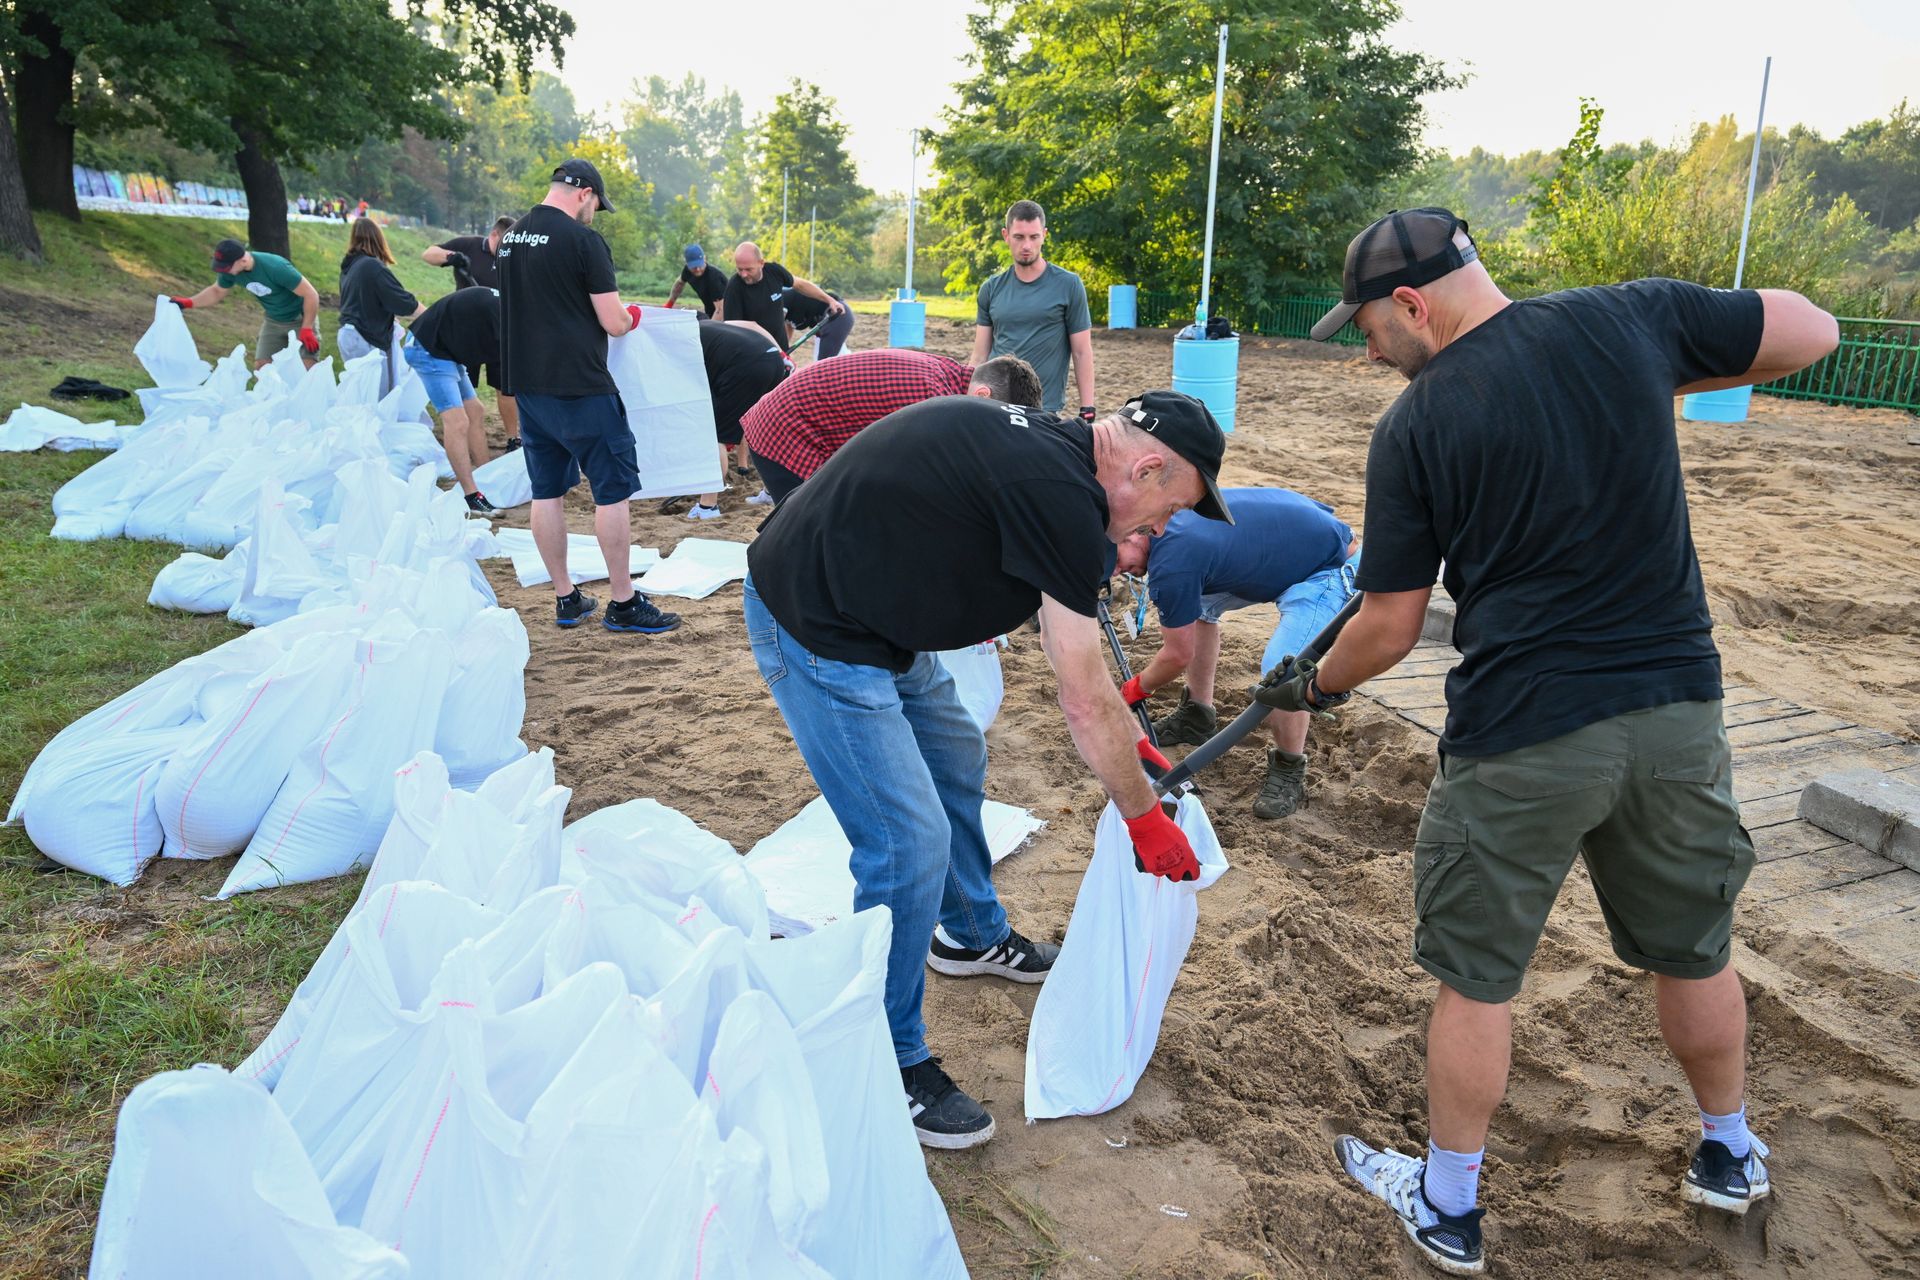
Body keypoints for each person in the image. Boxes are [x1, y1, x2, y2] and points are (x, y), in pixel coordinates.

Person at [1251, 207, 1839, 1275]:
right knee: (1694, 945)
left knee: (1477, 974)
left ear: (1417, 304)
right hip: (1677, 712)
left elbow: (1386, 623)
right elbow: (1814, 329)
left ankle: (1448, 1206)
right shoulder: (1631, 321)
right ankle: (1728, 1147)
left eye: (1374, 330)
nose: (1372, 352)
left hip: (1524, 729)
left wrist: (1314, 685)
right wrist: (1656, 379)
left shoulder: (1419, 424)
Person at [744, 388, 1233, 1149]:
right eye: (1170, 509)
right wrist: (1142, 817)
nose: (1161, 529)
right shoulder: (1060, 494)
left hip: (877, 616)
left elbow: (1079, 662)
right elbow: (1079, 694)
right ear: (1144, 466)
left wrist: (1121, 732)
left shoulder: (1056, 458)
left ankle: (968, 934)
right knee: (908, 842)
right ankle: (886, 1057)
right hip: (816, 624)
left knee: (955, 751)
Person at [499, 159, 680, 636]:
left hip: (529, 389)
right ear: (583, 193)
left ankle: (566, 597)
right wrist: (633, 317)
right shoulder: (583, 241)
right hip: (581, 386)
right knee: (611, 491)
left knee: (547, 492)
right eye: (597, 204)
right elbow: (613, 321)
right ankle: (623, 602)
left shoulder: (511, 238)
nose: (595, 214)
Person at [1112, 487, 1359, 820]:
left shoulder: (1173, 563)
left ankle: (1289, 767)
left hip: (1328, 567)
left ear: (1131, 534)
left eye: (1115, 562)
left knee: (1285, 671)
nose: (1118, 573)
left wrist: (1136, 688)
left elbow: (1177, 655)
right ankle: (1198, 716)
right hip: (1290, 546)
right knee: (1196, 605)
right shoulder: (1163, 514)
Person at [741, 349, 1042, 504]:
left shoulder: (952, 377)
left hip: (812, 426)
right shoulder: (932, 402)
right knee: (808, 529)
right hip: (782, 430)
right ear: (982, 395)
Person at [971, 200, 1095, 416]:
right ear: (1006, 235)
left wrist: (1088, 407)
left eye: (1033, 237)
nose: (1026, 245)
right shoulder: (991, 288)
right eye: (1019, 237)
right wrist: (964, 400)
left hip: (1043, 408)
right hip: (995, 406)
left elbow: (1082, 351)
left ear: (1044, 235)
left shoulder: (1069, 285)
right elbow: (980, 355)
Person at [402, 286, 500, 513]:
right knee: (457, 421)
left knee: (474, 411)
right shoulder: (504, 319)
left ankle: (487, 479)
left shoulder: (507, 310)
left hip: (447, 348)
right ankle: (471, 496)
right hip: (428, 348)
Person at [425, 215, 519, 448]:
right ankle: (465, 433)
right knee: (465, 384)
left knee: (506, 387)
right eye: (504, 243)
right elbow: (429, 253)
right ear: (494, 235)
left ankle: (512, 437)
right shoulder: (468, 245)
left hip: (500, 329)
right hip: (467, 329)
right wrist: (452, 257)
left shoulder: (514, 254)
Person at [686, 319, 791, 520]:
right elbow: (753, 325)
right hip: (774, 360)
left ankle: (707, 507)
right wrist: (782, 353)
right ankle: (772, 492)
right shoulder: (707, 325)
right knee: (764, 428)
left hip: (746, 366)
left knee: (715, 435)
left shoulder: (677, 342)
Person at [169, 238, 321, 369]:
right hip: (273, 320)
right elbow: (217, 291)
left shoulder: (275, 267)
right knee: (262, 368)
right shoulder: (231, 272)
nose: (224, 272)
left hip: (300, 318)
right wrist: (188, 302)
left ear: (243, 261)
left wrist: (307, 328)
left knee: (307, 369)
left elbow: (311, 295)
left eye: (226, 267)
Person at [336, 217, 423, 397]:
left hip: (347, 335)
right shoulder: (372, 267)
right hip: (365, 337)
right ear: (379, 239)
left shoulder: (349, 266)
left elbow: (363, 301)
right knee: (378, 396)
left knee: (358, 395)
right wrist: (433, 316)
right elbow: (404, 302)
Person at [722, 242, 842, 353]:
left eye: (749, 269)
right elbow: (733, 329)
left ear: (761, 263)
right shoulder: (734, 288)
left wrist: (830, 300)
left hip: (781, 350)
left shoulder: (774, 272)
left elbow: (800, 284)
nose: (743, 274)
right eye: (739, 269)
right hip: (755, 353)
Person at [781, 283, 855, 360]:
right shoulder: (782, 303)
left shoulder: (780, 298)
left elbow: (778, 328)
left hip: (836, 314)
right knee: (836, 360)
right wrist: (784, 350)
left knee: (823, 365)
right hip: (822, 326)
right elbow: (788, 326)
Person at [665, 243, 727, 318]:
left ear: (704, 259)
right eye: (694, 266)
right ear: (687, 264)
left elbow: (720, 310)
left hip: (729, 316)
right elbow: (679, 284)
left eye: (699, 265)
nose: (697, 269)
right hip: (711, 312)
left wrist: (710, 328)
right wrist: (669, 305)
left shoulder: (714, 277)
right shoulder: (687, 271)